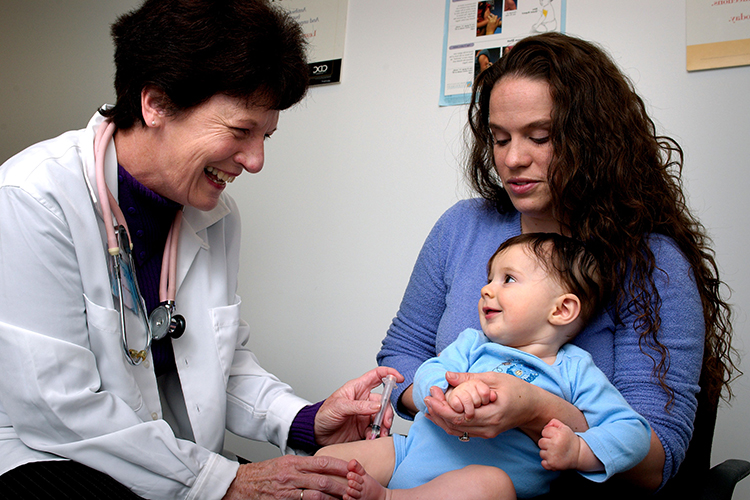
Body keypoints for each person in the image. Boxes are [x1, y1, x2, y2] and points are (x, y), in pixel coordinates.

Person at [0, 1, 402, 499]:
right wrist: (223, 481)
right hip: (47, 455)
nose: (255, 161)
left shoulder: (215, 215)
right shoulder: (35, 198)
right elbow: (57, 408)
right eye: (240, 132)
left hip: (166, 457)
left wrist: (305, 420)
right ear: (156, 104)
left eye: (266, 136)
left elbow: (218, 361)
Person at [377, 32, 738, 497]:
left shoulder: (650, 265)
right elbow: (402, 352)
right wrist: (440, 398)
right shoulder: (462, 228)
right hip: (436, 471)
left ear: (593, 140)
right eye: (499, 138)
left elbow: (655, 462)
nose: (512, 159)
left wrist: (533, 410)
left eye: (540, 137)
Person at [317, 233, 651, 499]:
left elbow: (633, 432)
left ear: (562, 310)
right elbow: (427, 372)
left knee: (490, 484)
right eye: (489, 278)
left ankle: (389, 498)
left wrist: (579, 449)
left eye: (508, 279)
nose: (486, 289)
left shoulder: (575, 370)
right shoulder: (473, 344)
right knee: (324, 464)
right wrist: (449, 389)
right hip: (409, 452)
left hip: (482, 484)